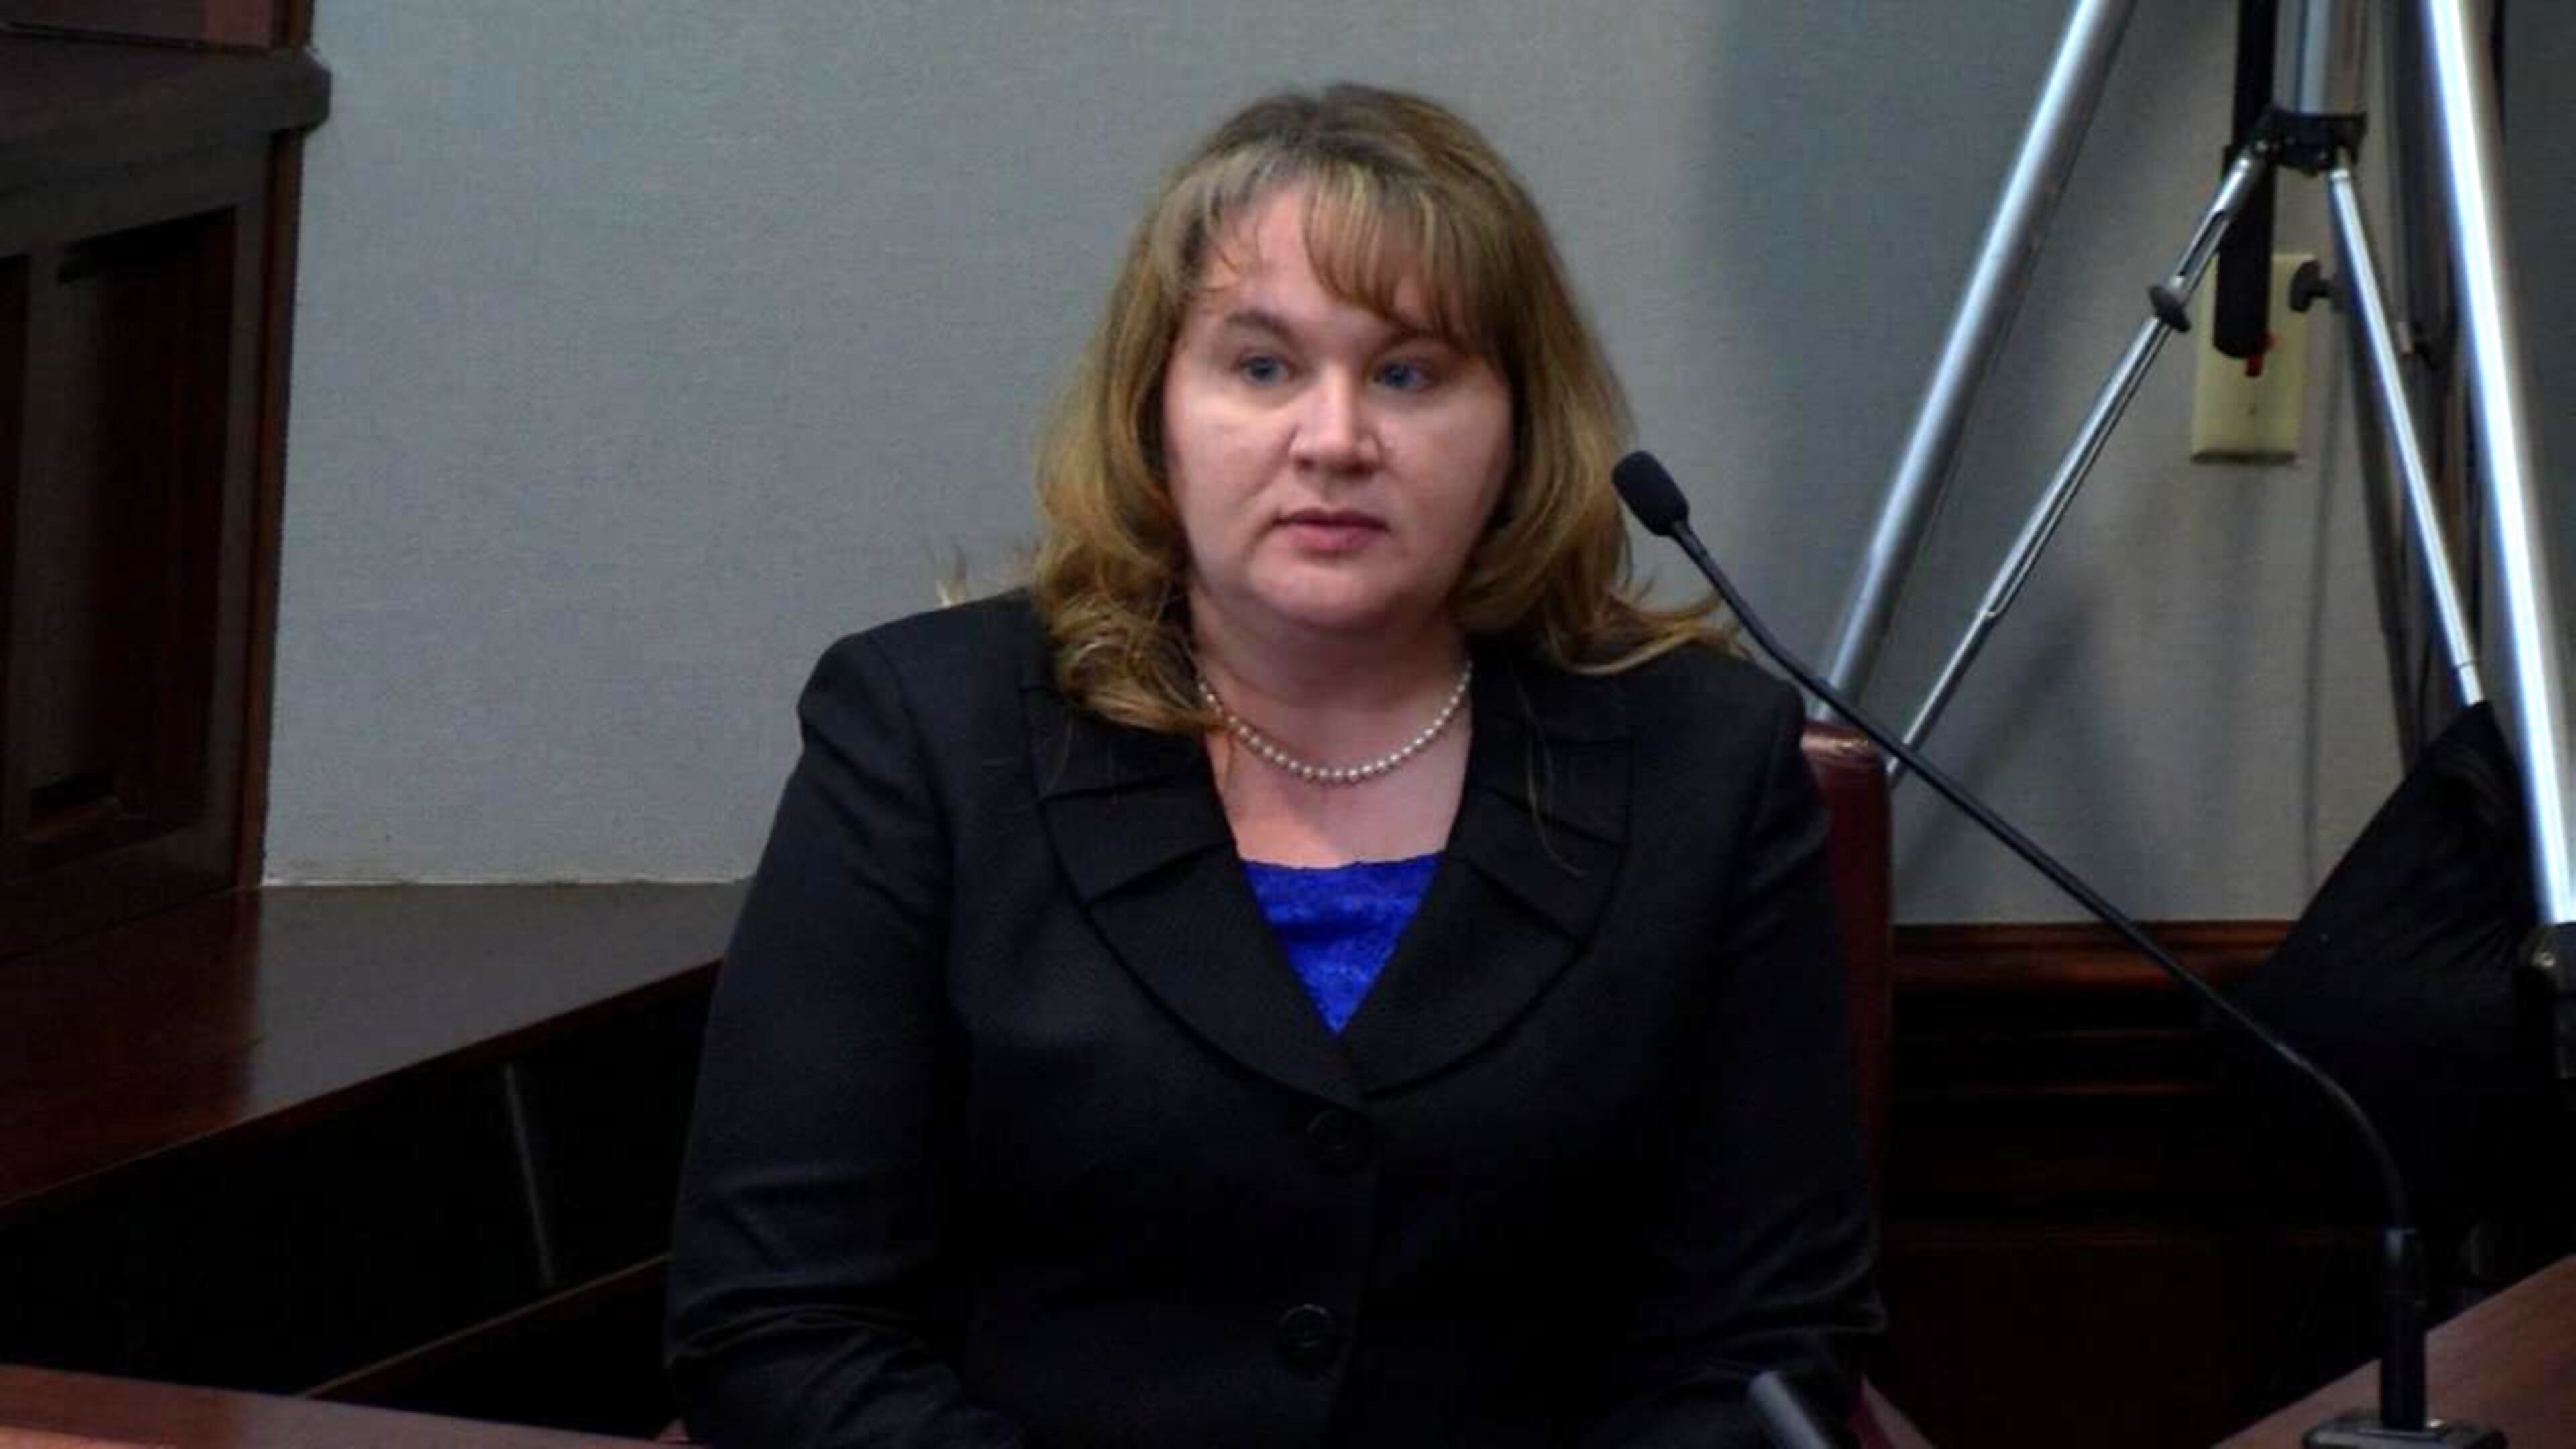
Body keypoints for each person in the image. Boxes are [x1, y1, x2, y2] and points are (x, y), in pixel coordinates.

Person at [665, 83, 1881, 1448]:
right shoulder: (920, 739)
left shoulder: (1704, 767)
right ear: (1155, 411)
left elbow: (1761, 1344)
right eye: (1261, 366)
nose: (1335, 438)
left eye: (1411, 371)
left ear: (1520, 426)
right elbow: (778, 1325)